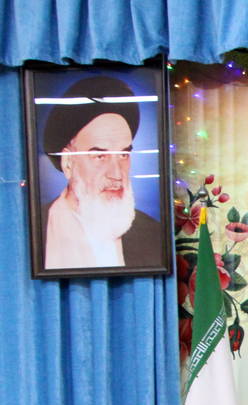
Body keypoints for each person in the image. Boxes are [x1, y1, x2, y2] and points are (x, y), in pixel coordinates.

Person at [41, 76, 160, 270]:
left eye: (123, 155)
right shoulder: (35, 229)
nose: (116, 174)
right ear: (68, 162)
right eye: (100, 156)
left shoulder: (154, 234)